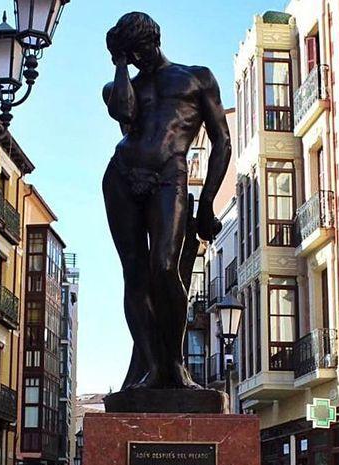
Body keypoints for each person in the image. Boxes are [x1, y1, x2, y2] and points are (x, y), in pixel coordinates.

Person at [101, 12, 231, 390]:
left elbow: (221, 140)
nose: (138, 57)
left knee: (163, 267)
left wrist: (206, 203)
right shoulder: (119, 87)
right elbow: (124, 114)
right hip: (122, 176)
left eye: (140, 49)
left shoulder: (196, 77)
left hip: (168, 175)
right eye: (129, 53)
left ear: (154, 40)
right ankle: (153, 367)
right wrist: (121, 64)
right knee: (135, 274)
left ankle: (175, 365)